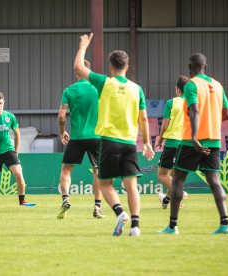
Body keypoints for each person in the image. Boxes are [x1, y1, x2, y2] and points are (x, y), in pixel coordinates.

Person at [74, 33, 155, 236]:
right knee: (131, 185)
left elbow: (78, 68)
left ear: (111, 67)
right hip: (129, 142)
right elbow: (144, 119)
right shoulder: (137, 89)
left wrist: (83, 46)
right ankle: (135, 226)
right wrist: (147, 143)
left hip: (109, 142)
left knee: (104, 183)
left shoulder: (105, 83)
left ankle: (120, 213)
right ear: (127, 67)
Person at [158, 53, 228, 234]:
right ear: (205, 67)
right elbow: (227, 114)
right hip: (214, 140)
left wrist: (195, 137)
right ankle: (225, 224)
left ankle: (172, 226)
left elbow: (195, 110)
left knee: (178, 180)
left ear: (190, 68)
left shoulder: (191, 85)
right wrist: (211, 123)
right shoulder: (217, 85)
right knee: (215, 181)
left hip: (192, 142)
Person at [57, 60, 105, 219]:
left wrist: (63, 131)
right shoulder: (98, 88)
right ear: (88, 71)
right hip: (96, 136)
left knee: (66, 170)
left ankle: (65, 199)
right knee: (98, 171)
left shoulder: (69, 90)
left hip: (77, 137)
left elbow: (62, 114)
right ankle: (97, 207)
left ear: (76, 72)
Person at [155, 75, 190, 209]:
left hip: (173, 143)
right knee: (176, 176)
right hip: (187, 144)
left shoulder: (171, 102)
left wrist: (159, 140)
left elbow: (164, 125)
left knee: (162, 175)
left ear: (177, 89)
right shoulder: (192, 103)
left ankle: (180, 193)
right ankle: (167, 200)